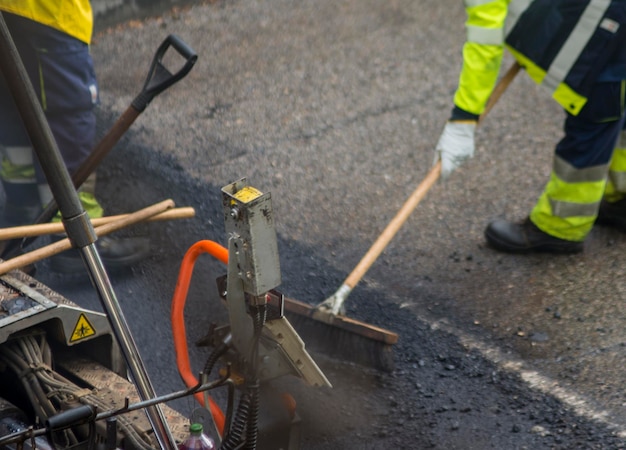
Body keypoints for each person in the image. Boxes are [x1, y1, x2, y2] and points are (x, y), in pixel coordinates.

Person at [435, 0, 626, 254]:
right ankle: (621, 199)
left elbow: (485, 41)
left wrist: (463, 118)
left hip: (610, 33)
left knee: (594, 119)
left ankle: (560, 227)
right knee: (614, 111)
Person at [0, 1, 150, 272]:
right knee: (68, 109)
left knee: (13, 100)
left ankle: (19, 219)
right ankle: (76, 235)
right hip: (46, 10)